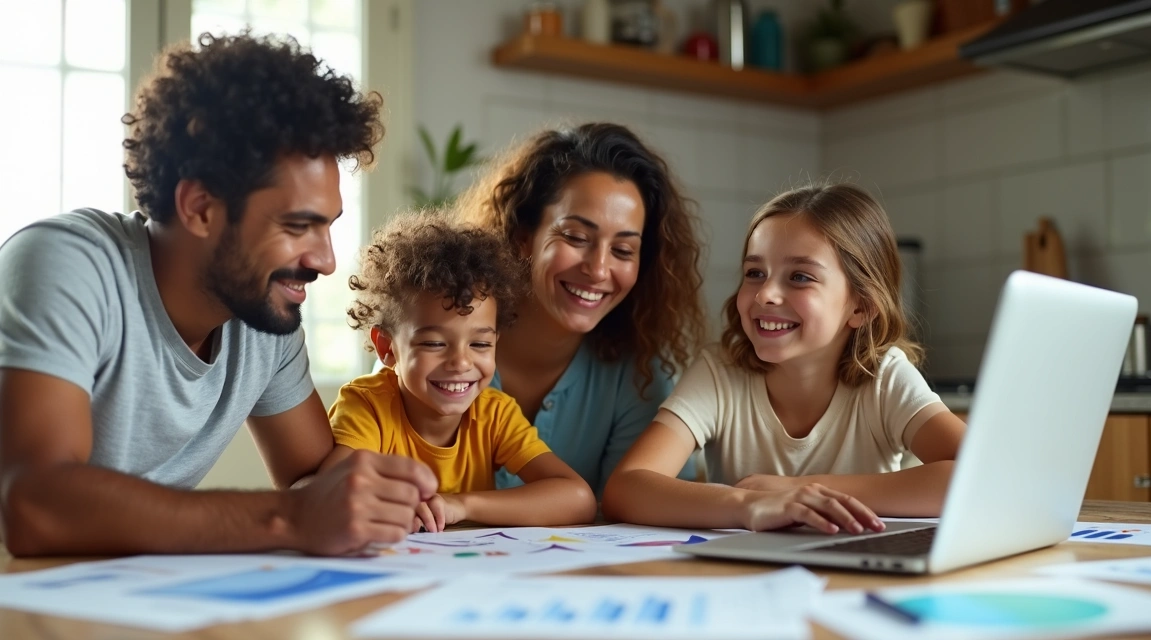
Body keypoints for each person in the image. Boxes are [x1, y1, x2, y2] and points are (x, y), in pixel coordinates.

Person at [0, 32, 437, 558]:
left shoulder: (262, 314)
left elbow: (312, 477)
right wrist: (292, 517)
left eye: (328, 227)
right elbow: (33, 504)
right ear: (200, 208)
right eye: (298, 226)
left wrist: (374, 494)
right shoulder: (67, 262)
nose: (325, 260)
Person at [602, 183, 966, 533]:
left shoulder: (885, 377)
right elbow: (626, 487)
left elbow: (981, 475)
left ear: (861, 306)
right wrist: (748, 505)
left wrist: (801, 489)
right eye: (755, 273)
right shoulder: (720, 372)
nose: (765, 295)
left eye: (800, 277)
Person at [456, 123, 707, 497]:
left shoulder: (635, 376)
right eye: (575, 237)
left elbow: (656, 507)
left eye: (623, 250)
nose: (599, 269)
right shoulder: (437, 335)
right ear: (524, 237)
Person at [323, 213, 597, 532]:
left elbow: (577, 498)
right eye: (435, 343)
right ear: (387, 348)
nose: (461, 363)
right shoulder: (367, 406)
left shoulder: (495, 414)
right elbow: (328, 494)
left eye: (480, 344)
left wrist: (460, 504)